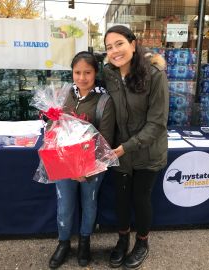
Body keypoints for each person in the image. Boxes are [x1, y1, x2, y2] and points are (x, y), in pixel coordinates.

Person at [103, 25, 169, 268]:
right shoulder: (108, 72)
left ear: (133, 43)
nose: (115, 51)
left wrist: (127, 147)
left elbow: (157, 123)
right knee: (121, 198)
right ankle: (122, 241)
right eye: (109, 47)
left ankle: (142, 242)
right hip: (120, 150)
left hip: (147, 151)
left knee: (140, 198)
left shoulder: (154, 74)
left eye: (119, 43)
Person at [49, 51, 116, 269]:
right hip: (63, 163)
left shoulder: (104, 102)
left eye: (87, 72)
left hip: (93, 166)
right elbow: (54, 129)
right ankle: (63, 242)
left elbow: (104, 139)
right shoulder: (64, 95)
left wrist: (84, 166)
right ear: (72, 73)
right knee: (65, 204)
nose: (82, 77)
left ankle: (85, 241)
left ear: (96, 73)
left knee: (90, 203)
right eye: (77, 72)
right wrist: (50, 123)